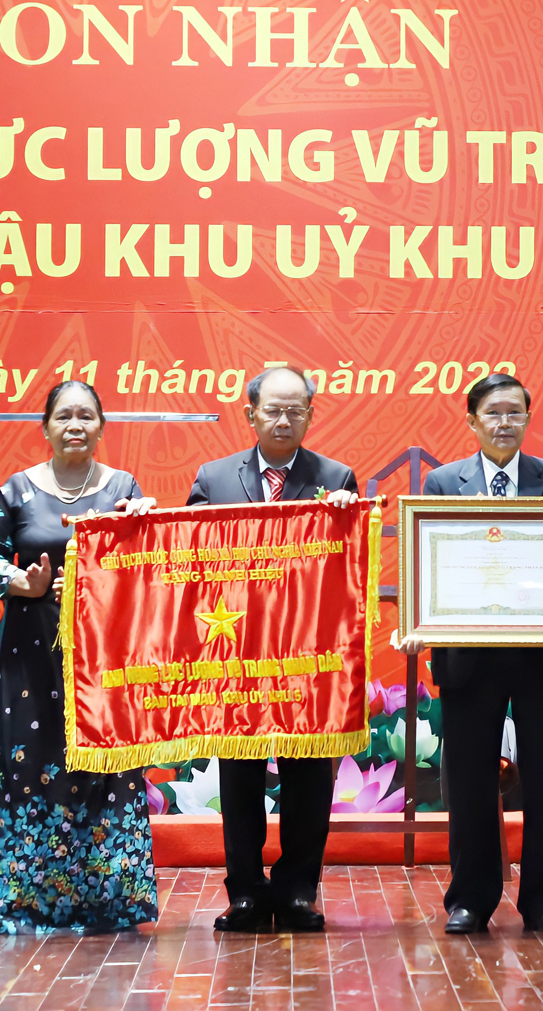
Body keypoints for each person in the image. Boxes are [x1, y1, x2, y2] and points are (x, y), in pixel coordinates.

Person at [399, 373, 543, 935]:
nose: (505, 423)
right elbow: (428, 560)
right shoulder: (443, 483)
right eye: (494, 413)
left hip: (541, 655)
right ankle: (471, 898)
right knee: (466, 781)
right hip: (467, 654)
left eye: (515, 413)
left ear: (528, 420)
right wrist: (417, 620)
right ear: (472, 421)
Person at [0, 380, 160, 933]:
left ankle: (111, 897)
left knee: (104, 763)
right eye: (64, 416)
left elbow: (144, 564)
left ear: (101, 426)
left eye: (86, 416)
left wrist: (140, 528)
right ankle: (27, 899)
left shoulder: (124, 487)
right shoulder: (18, 490)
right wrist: (20, 583)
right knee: (31, 765)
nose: (75, 425)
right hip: (30, 652)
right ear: (46, 427)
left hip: (105, 655)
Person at [186, 366, 359, 933]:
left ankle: (298, 890)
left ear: (311, 414)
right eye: (273, 410)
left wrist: (343, 519)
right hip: (234, 655)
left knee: (310, 776)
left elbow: (348, 569)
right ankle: (244, 893)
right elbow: (183, 562)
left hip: (307, 659)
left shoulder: (337, 478)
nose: (284, 419)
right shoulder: (213, 480)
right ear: (250, 413)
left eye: (296, 410)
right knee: (239, 776)